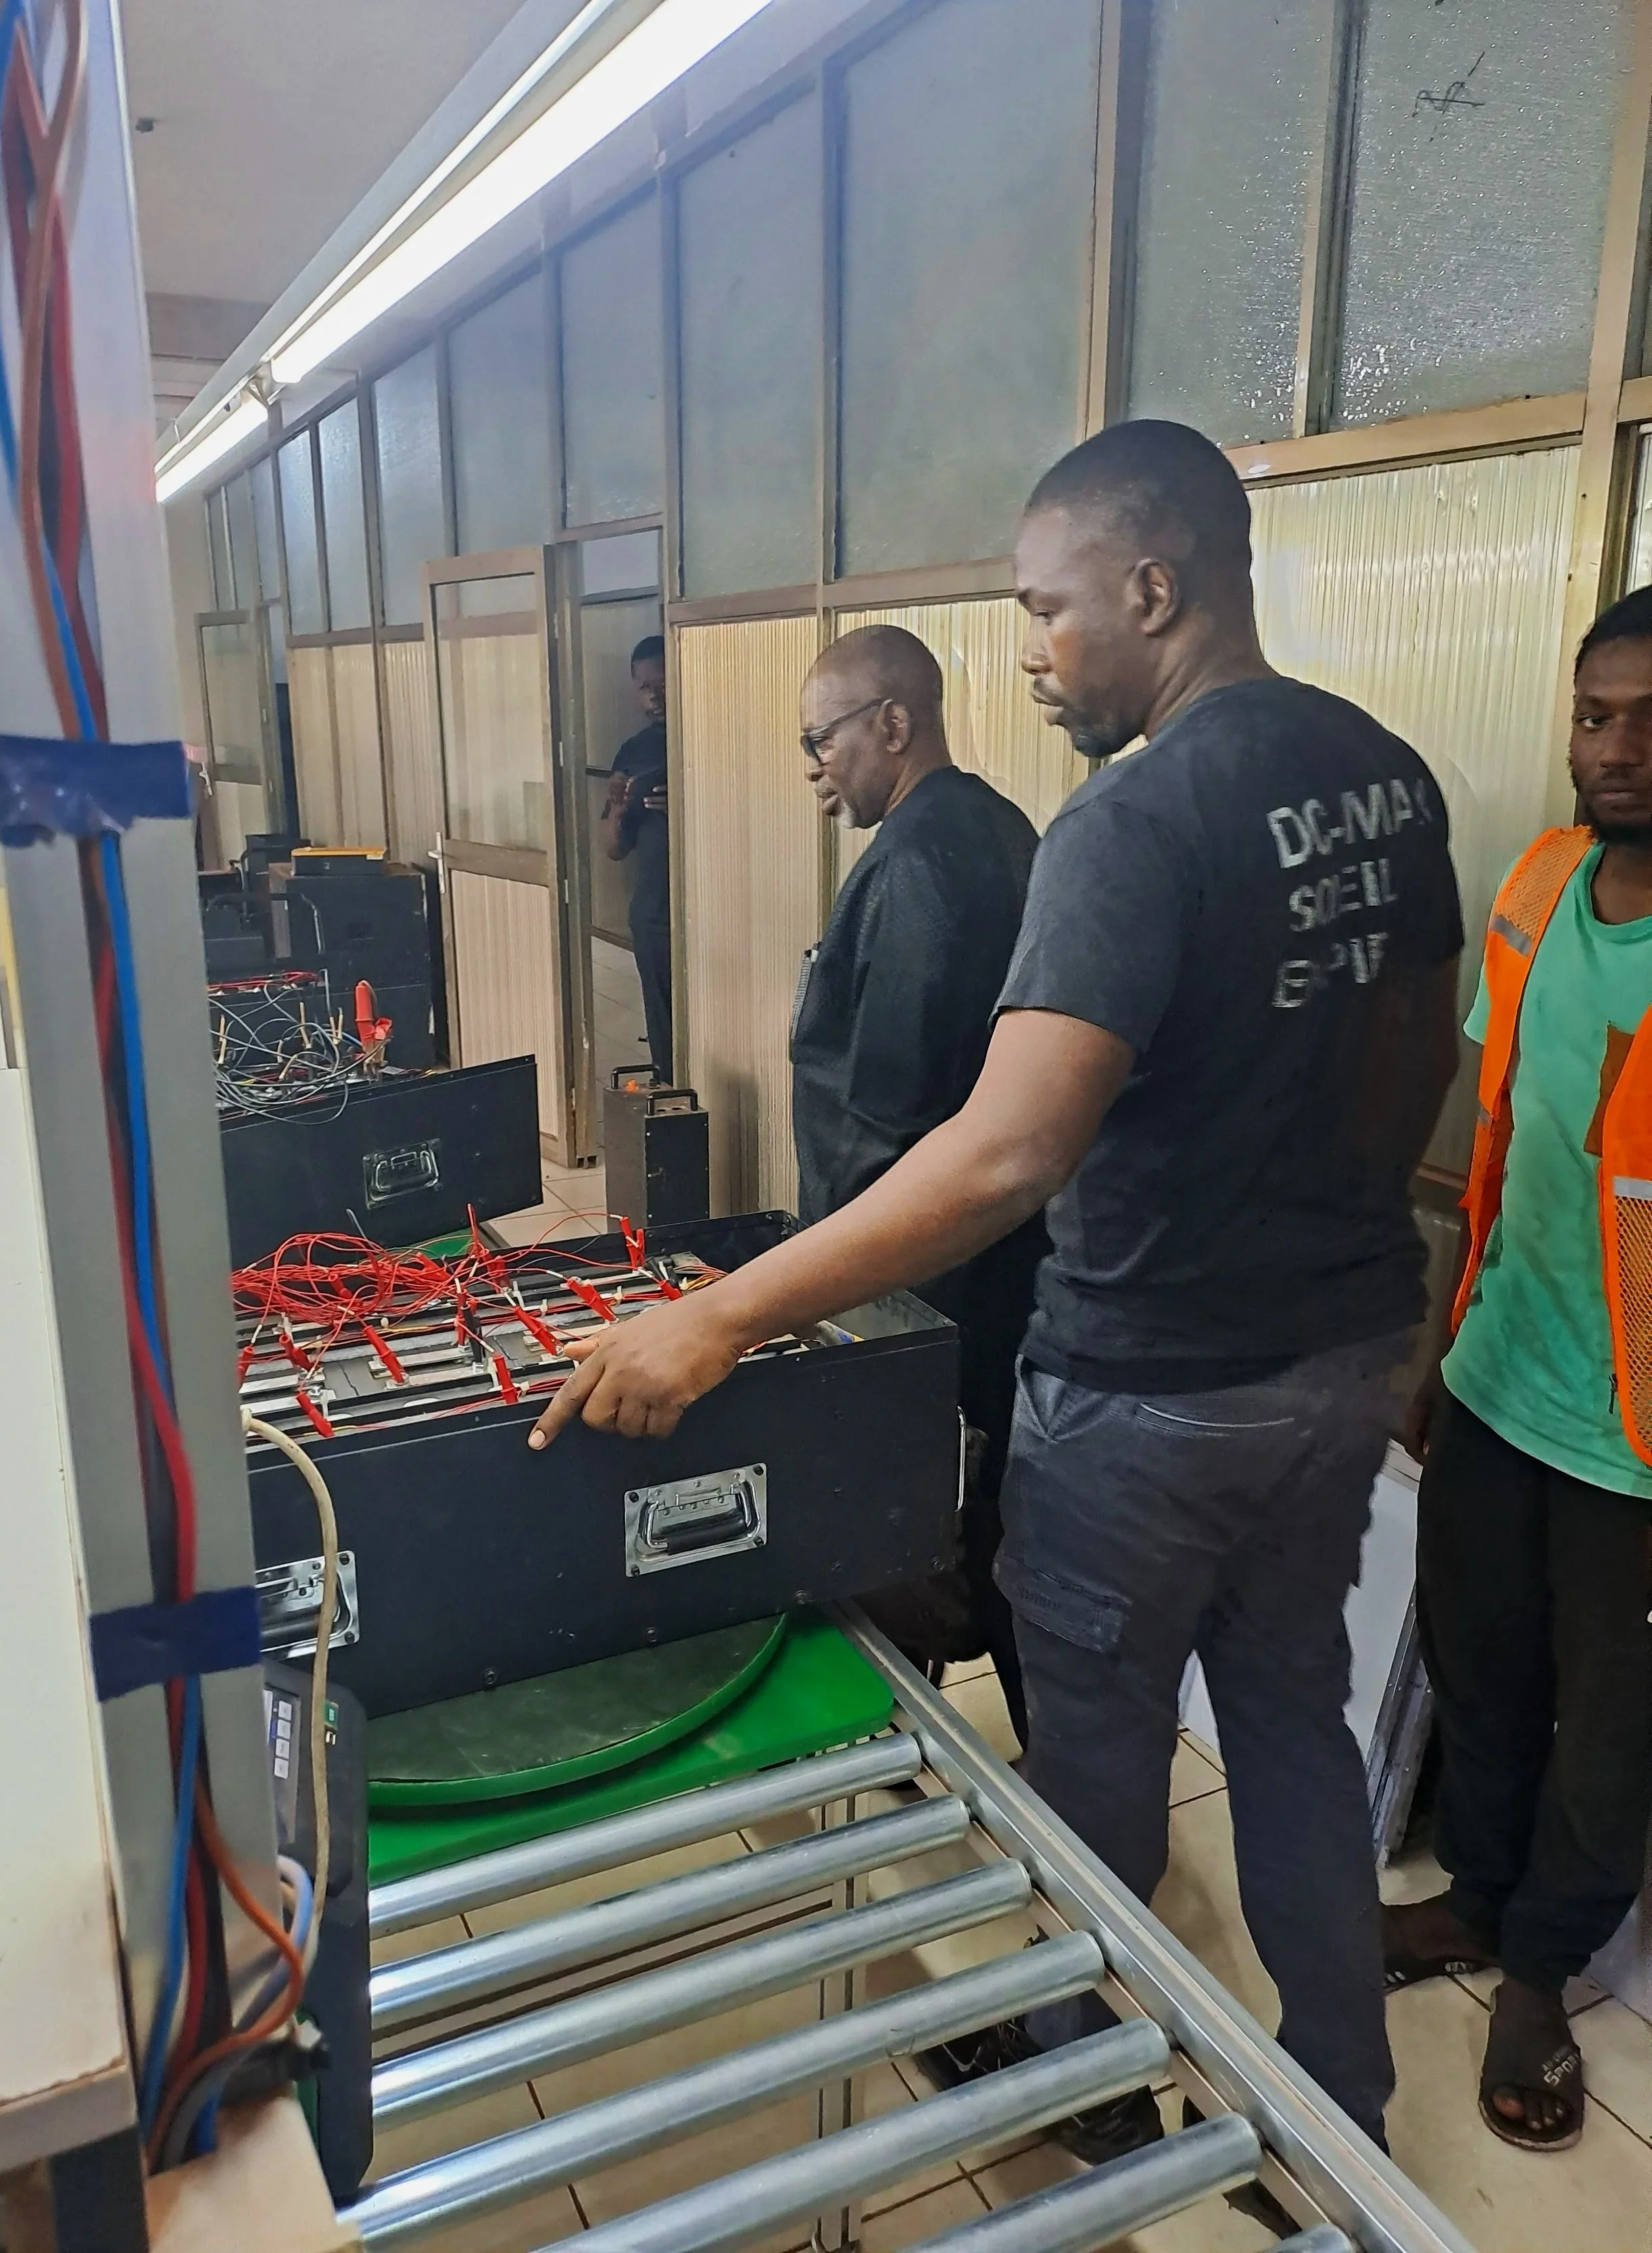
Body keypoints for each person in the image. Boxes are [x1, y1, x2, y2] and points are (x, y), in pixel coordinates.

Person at [530, 420, 1465, 2161]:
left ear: (1152, 585)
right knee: (1286, 1717)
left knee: (1095, 1758)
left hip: (1151, 1389)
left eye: (1046, 610)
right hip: (1336, 1360)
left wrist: (721, 1314)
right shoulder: (1386, 775)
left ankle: (1077, 2077)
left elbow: (1002, 1153)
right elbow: (1429, 1039)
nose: (1030, 654)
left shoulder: (1135, 817)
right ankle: (1343, 2109)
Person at [1384, 585, 1652, 2154]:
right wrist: (1444, 1342)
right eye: (1594, 715)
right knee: (1481, 1667)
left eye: (1648, 723)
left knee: (1609, 1727)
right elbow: (1505, 1146)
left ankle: (1543, 1969)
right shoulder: (1544, 884)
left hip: (1637, 1444)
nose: (1614, 751)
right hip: (1499, 1380)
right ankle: (1477, 1899)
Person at [793, 623, 1044, 1746]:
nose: (818, 768)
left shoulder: (916, 870)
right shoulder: (996, 828)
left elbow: (888, 1111)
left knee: (913, 1524)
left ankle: (899, 1733)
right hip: (1006, 1264)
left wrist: (817, 1271)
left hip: (921, 1271)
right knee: (1003, 1516)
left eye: (824, 740)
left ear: (893, 725)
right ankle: (1048, 1763)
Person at [601, 635, 673, 1080]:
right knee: (662, 1024)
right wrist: (619, 811)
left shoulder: (711, 738)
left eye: (662, 683)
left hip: (714, 909)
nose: (654, 696)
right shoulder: (633, 751)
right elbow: (612, 848)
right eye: (645, 686)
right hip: (652, 913)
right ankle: (670, 1096)